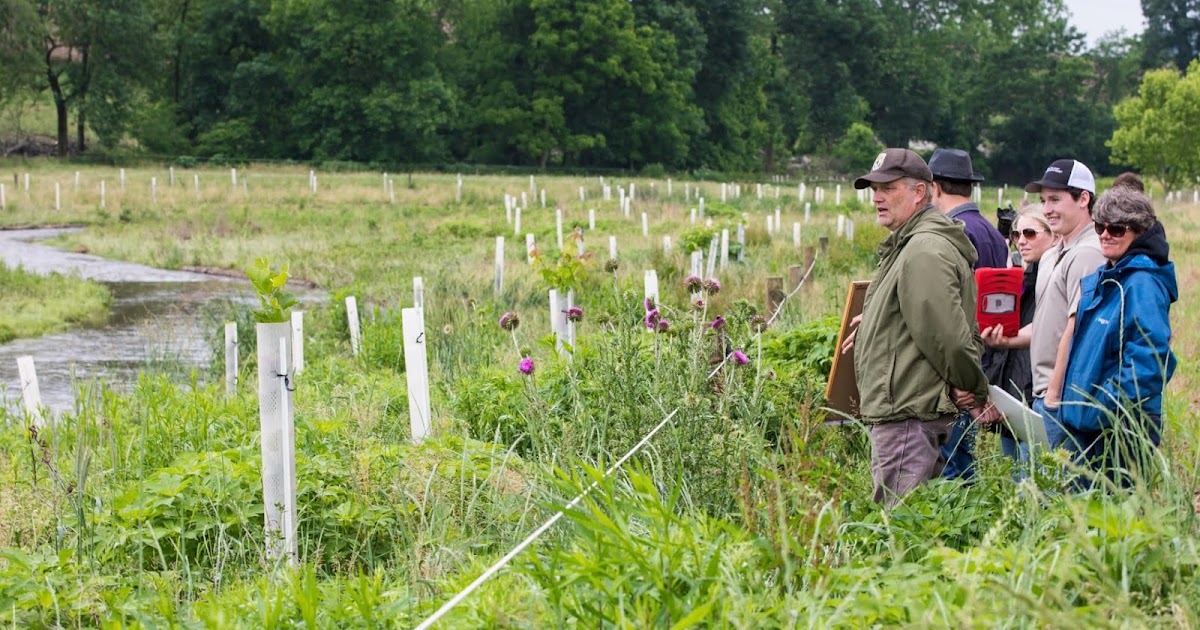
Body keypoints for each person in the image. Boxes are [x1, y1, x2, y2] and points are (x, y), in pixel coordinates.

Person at [847, 148, 998, 506]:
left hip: (907, 415)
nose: (877, 198)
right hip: (905, 410)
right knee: (913, 523)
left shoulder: (924, 249)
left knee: (899, 527)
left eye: (888, 188)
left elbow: (946, 334)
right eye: (874, 189)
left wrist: (970, 387)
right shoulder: (910, 245)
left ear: (919, 192)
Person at [1059, 187, 1176, 486]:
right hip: (1089, 426)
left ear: (1138, 232)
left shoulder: (1142, 284)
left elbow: (1149, 361)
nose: (1105, 234)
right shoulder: (1109, 276)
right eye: (1100, 226)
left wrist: (1102, 408)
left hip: (1117, 431)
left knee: (1111, 520)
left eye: (1117, 228)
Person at [928, 147, 1010, 481]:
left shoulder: (953, 231)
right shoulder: (992, 231)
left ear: (934, 187)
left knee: (949, 454)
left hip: (958, 356)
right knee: (963, 448)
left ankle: (957, 523)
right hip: (986, 350)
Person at [1022, 159, 1108, 449]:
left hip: (1061, 397)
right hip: (1042, 391)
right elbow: (1050, 321)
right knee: (1031, 487)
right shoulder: (1052, 253)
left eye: (1056, 199)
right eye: (1044, 200)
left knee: (1052, 490)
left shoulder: (1088, 253)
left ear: (1084, 198)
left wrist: (1054, 396)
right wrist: (1008, 339)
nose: (1047, 209)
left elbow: (1075, 330)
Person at [983, 205, 1060, 465]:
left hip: (1035, 385)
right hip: (1012, 384)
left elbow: (1045, 327)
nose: (1021, 241)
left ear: (1054, 236)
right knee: (1014, 468)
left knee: (1032, 473)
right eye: (1016, 235)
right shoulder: (1023, 273)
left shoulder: (1055, 275)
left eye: (1029, 233)